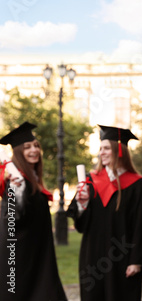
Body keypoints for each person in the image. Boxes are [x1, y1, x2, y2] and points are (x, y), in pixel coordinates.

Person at [67, 125, 142, 301]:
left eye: (106, 148)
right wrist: (82, 204)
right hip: (93, 255)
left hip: (123, 257)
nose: (101, 153)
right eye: (100, 149)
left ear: (119, 150)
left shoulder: (138, 184)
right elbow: (81, 224)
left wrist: (136, 260)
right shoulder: (90, 180)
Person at [0, 122, 67, 301]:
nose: (34, 150)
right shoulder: (14, 181)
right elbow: (13, 218)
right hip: (20, 256)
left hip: (38, 252)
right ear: (19, 152)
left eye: (36, 146)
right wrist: (17, 191)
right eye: (27, 147)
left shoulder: (33, 180)